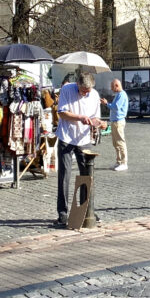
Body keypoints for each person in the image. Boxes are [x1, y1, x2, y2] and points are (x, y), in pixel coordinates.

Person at [54, 71, 105, 228]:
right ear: (77, 85)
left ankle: (87, 210)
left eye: (88, 91)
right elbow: (62, 113)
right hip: (66, 136)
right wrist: (80, 118)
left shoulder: (94, 95)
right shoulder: (67, 90)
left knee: (87, 175)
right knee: (65, 175)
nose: (85, 93)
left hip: (83, 139)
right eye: (83, 90)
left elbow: (95, 118)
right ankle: (63, 213)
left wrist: (100, 123)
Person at [102, 79, 129, 171]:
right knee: (115, 143)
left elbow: (116, 107)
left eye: (112, 87)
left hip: (118, 121)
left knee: (120, 142)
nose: (111, 88)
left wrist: (106, 104)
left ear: (117, 85)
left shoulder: (121, 95)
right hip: (115, 121)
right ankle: (118, 161)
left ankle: (124, 162)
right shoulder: (118, 94)